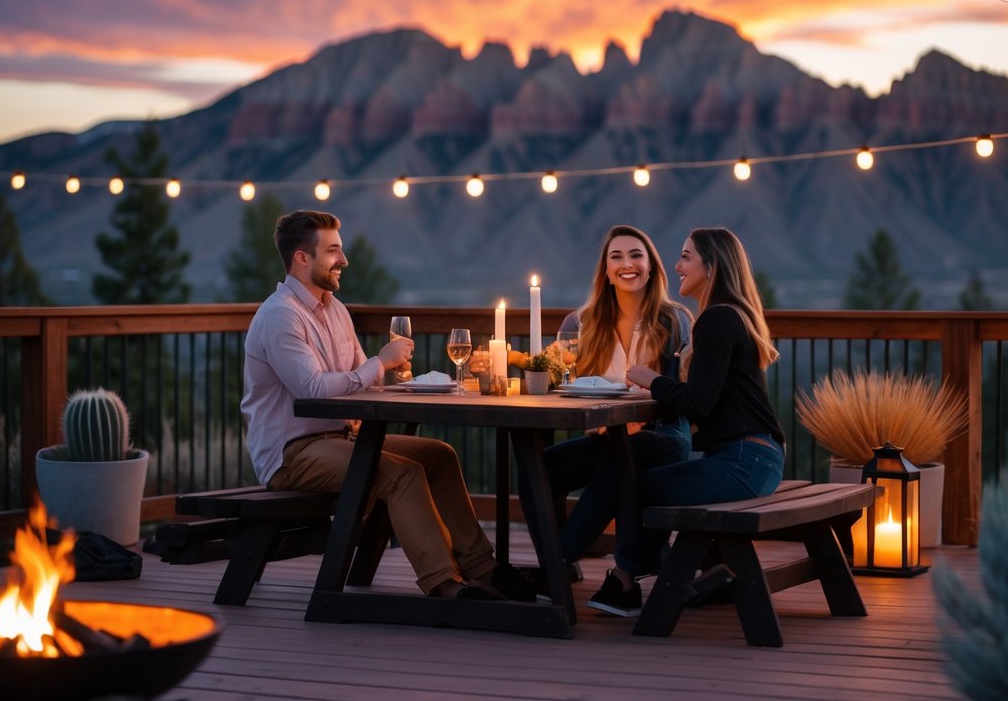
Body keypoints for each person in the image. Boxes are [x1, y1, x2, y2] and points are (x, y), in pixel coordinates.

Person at [241, 210, 534, 601]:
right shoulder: (281, 316)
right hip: (291, 453)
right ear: (302, 258)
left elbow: (361, 377)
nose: (343, 260)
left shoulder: (335, 311)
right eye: (333, 251)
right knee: (400, 474)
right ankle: (443, 583)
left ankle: (483, 569)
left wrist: (400, 378)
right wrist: (380, 362)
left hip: (341, 438)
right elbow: (312, 389)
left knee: (438, 455)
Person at [589, 227, 786, 616]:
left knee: (639, 484)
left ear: (711, 266)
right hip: (756, 458)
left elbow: (698, 405)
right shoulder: (731, 316)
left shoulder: (716, 320)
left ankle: (627, 582)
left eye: (686, 257)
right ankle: (688, 574)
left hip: (745, 462)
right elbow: (710, 407)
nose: (676, 266)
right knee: (651, 472)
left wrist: (653, 380)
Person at [519, 224, 693, 587]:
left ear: (651, 267)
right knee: (538, 468)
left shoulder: (673, 319)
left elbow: (681, 392)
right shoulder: (580, 323)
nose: (626, 264)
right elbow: (558, 382)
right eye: (616, 257)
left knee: (621, 459)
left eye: (635, 255)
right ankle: (558, 566)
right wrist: (522, 366)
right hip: (608, 436)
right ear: (606, 272)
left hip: (663, 433)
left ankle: (555, 563)